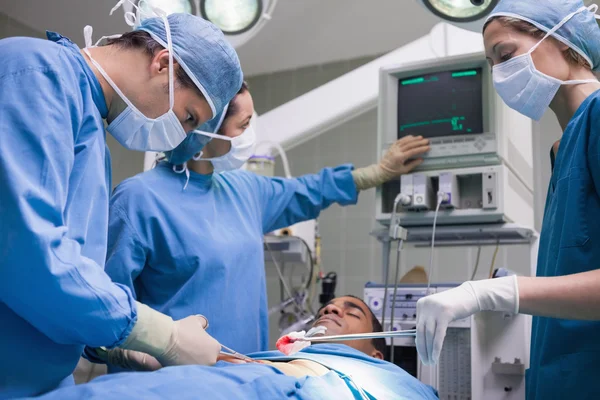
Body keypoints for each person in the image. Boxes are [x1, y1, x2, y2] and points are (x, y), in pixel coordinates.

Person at [97, 82, 430, 371]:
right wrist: (138, 354)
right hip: (168, 385)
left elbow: (310, 191)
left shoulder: (244, 190)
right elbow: (102, 309)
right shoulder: (139, 199)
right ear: (205, 126)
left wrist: (378, 173)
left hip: (247, 379)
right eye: (244, 125)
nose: (249, 137)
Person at [0, 1, 242, 397]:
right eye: (189, 117)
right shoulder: (36, 72)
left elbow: (75, 271)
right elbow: (25, 251)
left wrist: (116, 344)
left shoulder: (93, 132)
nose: (182, 137)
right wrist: (157, 334)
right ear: (163, 64)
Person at [415, 1, 600, 398]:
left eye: (506, 55)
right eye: (491, 63)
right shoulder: (564, 149)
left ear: (565, 43)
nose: (499, 73)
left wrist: (494, 293)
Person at [33, 296, 439, 400]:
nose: (333, 307)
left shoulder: (388, 379)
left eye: (354, 312)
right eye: (330, 305)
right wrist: (136, 352)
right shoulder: (271, 358)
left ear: (376, 352)